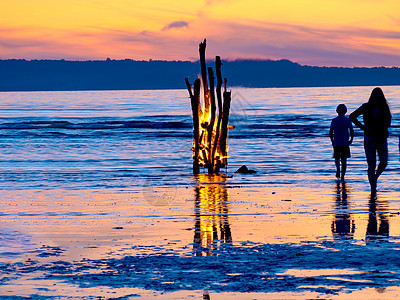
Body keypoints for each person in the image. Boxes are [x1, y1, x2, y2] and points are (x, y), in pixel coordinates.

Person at [350, 87, 392, 194]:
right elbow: (352, 116)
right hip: (370, 137)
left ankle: (375, 178)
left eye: (378, 95)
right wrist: (362, 127)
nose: (377, 97)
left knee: (384, 161)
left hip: (381, 137)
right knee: (371, 164)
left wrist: (384, 126)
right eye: (375, 95)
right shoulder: (366, 106)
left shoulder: (384, 107)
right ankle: (373, 187)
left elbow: (389, 121)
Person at [330, 104, 354, 181]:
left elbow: (330, 132)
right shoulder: (347, 120)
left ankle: (337, 169)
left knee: (337, 158)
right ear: (345, 111)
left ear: (337, 111)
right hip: (345, 142)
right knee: (344, 160)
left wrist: (332, 141)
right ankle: (343, 175)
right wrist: (351, 139)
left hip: (337, 142)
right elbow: (351, 131)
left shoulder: (334, 120)